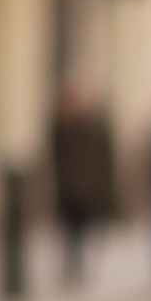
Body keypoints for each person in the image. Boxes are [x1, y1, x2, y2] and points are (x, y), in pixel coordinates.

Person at [50, 80, 117, 287]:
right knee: (70, 231)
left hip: (88, 189)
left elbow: (104, 159)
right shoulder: (61, 127)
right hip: (69, 190)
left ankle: (81, 266)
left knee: (84, 229)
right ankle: (73, 266)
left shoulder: (94, 128)